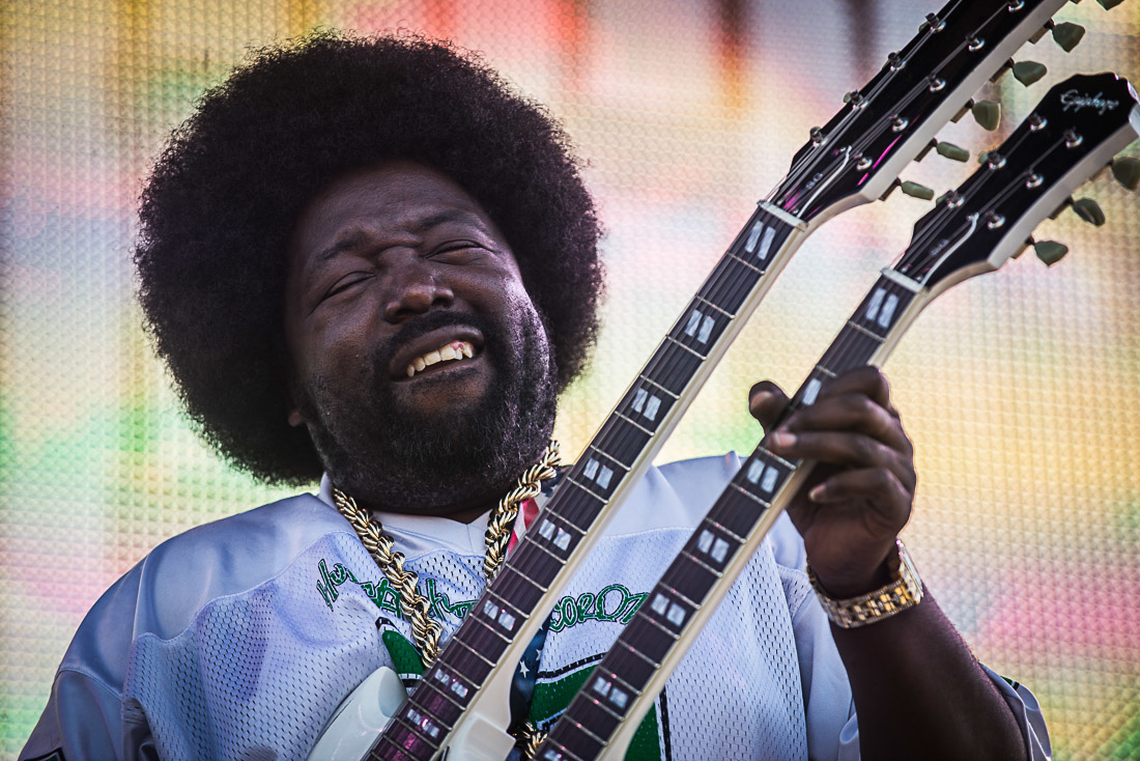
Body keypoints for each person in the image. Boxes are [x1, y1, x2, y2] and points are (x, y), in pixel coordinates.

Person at [21, 32, 1049, 761]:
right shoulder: (173, 612)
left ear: (544, 297)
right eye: (345, 280)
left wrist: (867, 585)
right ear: (277, 380)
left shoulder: (759, 527)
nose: (418, 285)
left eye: (456, 245)